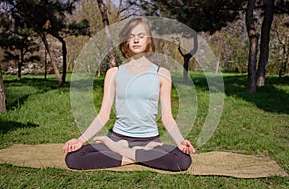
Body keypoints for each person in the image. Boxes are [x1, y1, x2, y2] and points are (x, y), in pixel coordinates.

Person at [62, 16, 196, 171]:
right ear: (126, 41)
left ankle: (118, 151)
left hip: (150, 142)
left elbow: (167, 117)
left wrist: (180, 141)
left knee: (182, 161)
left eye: (141, 36)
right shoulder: (114, 73)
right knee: (73, 158)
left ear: (149, 40)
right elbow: (103, 114)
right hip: (119, 138)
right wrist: (80, 140)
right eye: (131, 37)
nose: (136, 40)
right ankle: (136, 155)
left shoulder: (162, 74)